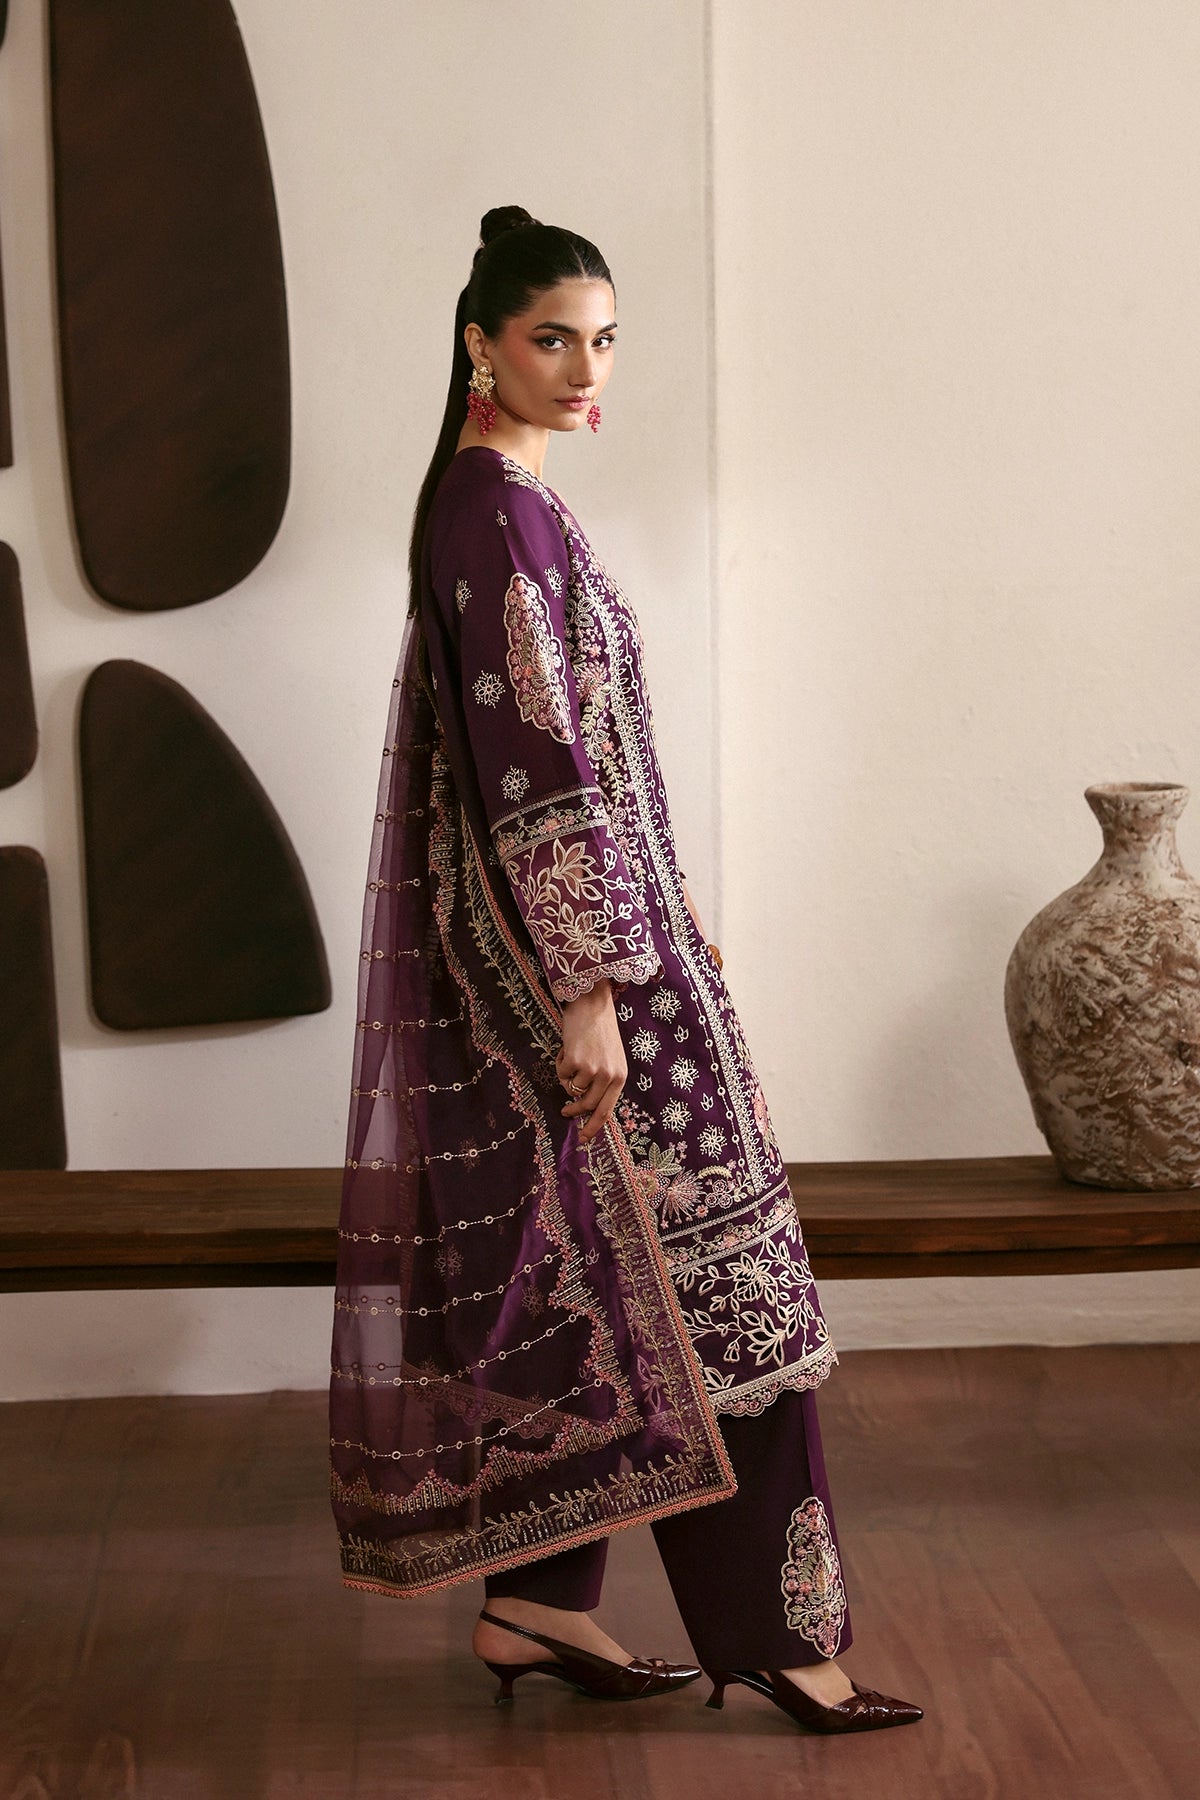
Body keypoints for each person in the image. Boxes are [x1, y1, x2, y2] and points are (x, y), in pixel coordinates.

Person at [328, 205, 923, 1737]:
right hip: (597, 982)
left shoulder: (501, 501)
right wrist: (594, 986)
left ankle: (538, 1612)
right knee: (725, 1290)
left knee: (603, 1283)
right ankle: (789, 1644)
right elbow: (538, 766)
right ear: (480, 344)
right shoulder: (497, 513)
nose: (586, 367)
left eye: (603, 339)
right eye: (551, 339)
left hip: (616, 953)